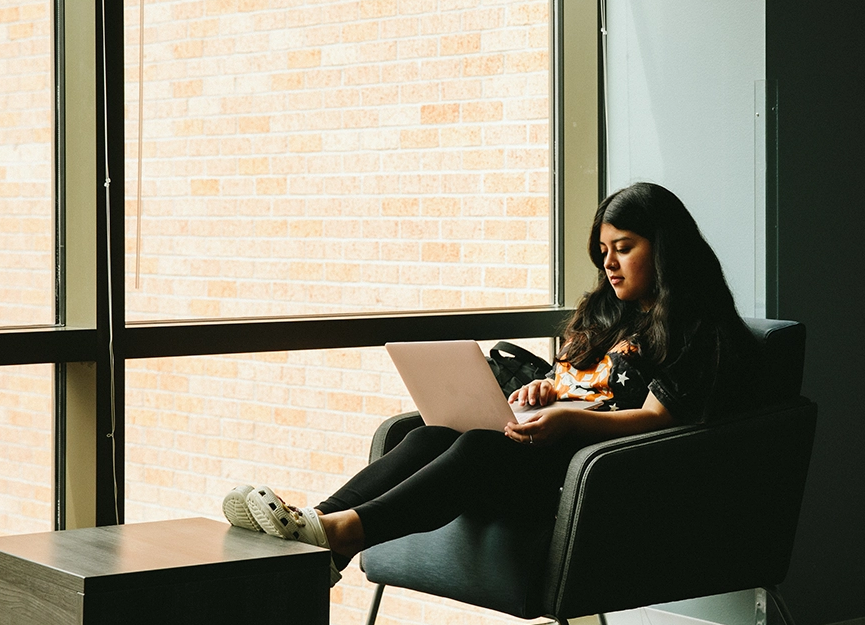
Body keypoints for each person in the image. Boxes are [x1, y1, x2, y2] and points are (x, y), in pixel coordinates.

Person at [222, 182, 758, 586]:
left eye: (623, 247)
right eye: (603, 250)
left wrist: (571, 417)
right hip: (548, 447)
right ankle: (316, 527)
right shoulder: (609, 313)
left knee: (478, 447)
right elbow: (577, 381)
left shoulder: (696, 326)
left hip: (593, 475)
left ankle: (334, 537)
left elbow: (660, 420)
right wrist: (546, 391)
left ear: (664, 249)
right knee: (429, 436)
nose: (608, 264)